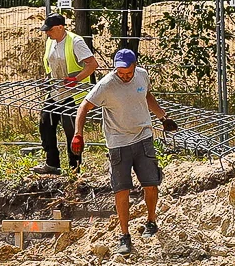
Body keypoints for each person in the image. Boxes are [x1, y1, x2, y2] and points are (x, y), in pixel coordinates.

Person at [72, 49, 178, 255]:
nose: (125, 76)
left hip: (143, 137)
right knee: (121, 189)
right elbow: (83, 107)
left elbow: (147, 95)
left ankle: (151, 221)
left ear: (135, 66)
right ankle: (124, 236)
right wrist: (78, 134)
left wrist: (163, 118)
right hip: (118, 143)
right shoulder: (106, 85)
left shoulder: (142, 75)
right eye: (120, 73)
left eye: (128, 73)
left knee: (151, 183)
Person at [33, 13, 99, 175]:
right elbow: (50, 65)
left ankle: (74, 168)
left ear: (61, 27)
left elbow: (92, 65)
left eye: (50, 30)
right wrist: (46, 79)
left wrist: (75, 79)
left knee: (71, 130)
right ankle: (52, 164)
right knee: (45, 124)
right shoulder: (50, 41)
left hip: (73, 94)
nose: (47, 33)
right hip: (55, 91)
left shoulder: (75, 42)